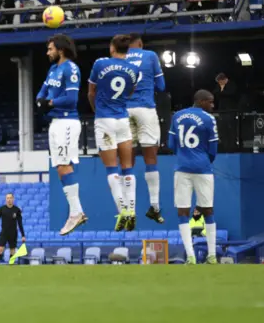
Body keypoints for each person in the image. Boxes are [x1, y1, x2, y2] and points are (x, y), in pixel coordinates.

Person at [88, 35, 141, 232]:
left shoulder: (100, 64)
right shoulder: (134, 69)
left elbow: (91, 92)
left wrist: (96, 110)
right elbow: (130, 92)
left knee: (112, 169)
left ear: (112, 48)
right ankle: (133, 211)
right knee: (128, 168)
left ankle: (123, 210)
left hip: (104, 119)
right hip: (122, 119)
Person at [36, 34, 87, 235]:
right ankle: (76, 212)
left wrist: (49, 103)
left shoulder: (71, 69)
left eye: (50, 49)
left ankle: (76, 212)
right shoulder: (53, 69)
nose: (48, 52)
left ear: (61, 49)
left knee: (64, 164)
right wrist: (40, 100)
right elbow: (43, 91)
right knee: (60, 167)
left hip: (67, 122)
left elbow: (71, 98)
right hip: (55, 123)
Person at [168, 89, 219, 265]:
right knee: (208, 210)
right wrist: (204, 160)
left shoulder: (177, 116)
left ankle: (190, 256)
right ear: (201, 101)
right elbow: (213, 149)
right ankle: (212, 256)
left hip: (182, 169)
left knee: (182, 211)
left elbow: (171, 144)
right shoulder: (209, 119)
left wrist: (184, 156)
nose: (212, 105)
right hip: (203, 169)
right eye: (210, 102)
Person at [126, 33, 166, 224]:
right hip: (145, 108)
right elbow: (162, 85)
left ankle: (128, 208)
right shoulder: (150, 56)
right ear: (140, 43)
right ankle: (155, 206)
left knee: (127, 160)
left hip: (124, 111)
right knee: (151, 159)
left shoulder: (120, 58)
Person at [0, 193, 25, 264]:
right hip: (4, 233)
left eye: (10, 198)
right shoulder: (1, 209)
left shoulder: (17, 210)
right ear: (5, 199)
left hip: (13, 233)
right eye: (7, 198)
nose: (9, 200)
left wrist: (23, 235)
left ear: (13, 199)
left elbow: (20, 223)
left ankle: (11, 265)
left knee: (12, 250)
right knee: (0, 248)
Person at [212, 73, 238, 152]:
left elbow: (231, 93)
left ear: (224, 79)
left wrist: (221, 92)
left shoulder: (232, 85)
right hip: (222, 110)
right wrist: (221, 91)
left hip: (230, 110)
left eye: (220, 81)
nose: (219, 84)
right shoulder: (219, 86)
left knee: (231, 128)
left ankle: (232, 146)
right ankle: (224, 145)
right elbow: (215, 92)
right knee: (223, 129)